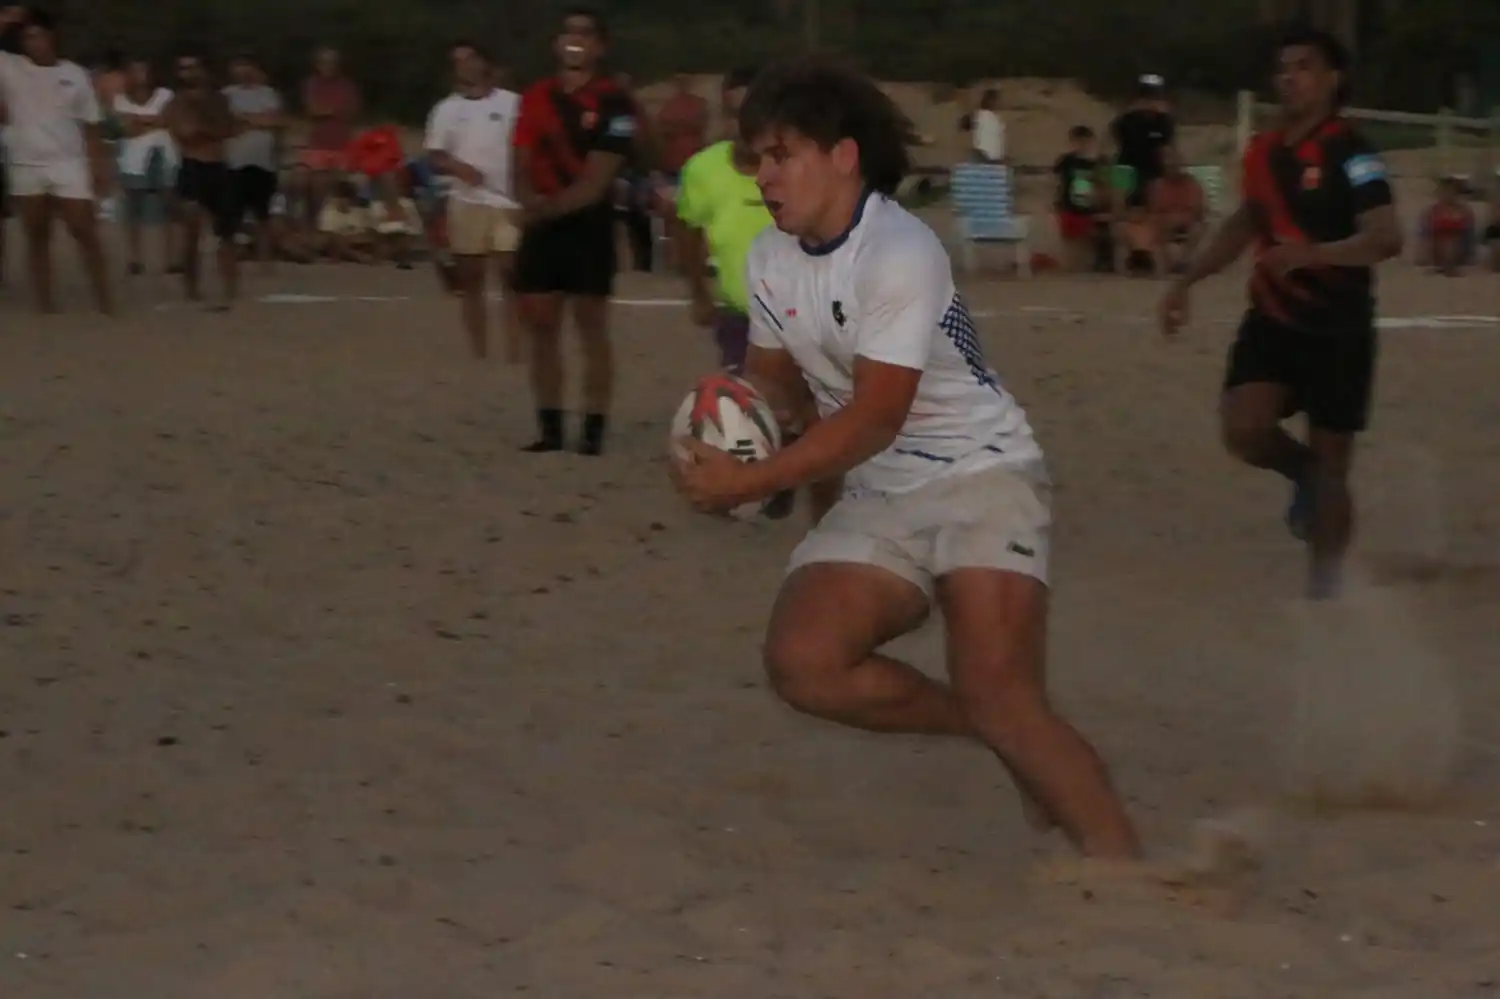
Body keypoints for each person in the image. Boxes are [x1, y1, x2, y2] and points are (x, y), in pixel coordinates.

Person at [670, 56, 1141, 861]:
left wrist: (753, 479)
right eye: (757, 158)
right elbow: (778, 380)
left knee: (1006, 693)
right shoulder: (771, 259)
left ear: (842, 155)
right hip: (886, 488)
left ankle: (1133, 878)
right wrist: (729, 419)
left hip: (982, 476)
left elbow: (873, 418)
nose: (764, 176)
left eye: (781, 155)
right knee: (805, 665)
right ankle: (993, 731)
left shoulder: (900, 249)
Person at [1159, 27, 1402, 601]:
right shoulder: (1264, 153)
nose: (1289, 78)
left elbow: (1386, 237)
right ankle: (1306, 475)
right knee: (1244, 430)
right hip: (1271, 317)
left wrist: (1315, 254)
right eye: (1283, 69)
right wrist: (1187, 280)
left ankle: (1325, 589)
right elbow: (1245, 223)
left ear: (1333, 78)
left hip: (1338, 326)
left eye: (1304, 67)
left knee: (1335, 462)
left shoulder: (1355, 153)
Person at [512, 7, 637, 455]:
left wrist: (542, 211)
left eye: (585, 34)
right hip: (542, 221)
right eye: (568, 32)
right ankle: (549, 426)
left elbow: (598, 179)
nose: (574, 40)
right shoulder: (535, 96)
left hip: (588, 224)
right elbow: (521, 156)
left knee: (591, 325)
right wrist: (525, 198)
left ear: (599, 47)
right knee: (541, 325)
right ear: (556, 43)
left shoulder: (615, 102)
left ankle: (593, 427)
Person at [0, 6, 112, 313]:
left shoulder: (74, 73)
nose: (33, 43)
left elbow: (91, 125)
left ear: (51, 37)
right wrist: (6, 20)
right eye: (26, 38)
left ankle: (105, 299)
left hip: (68, 162)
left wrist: (99, 167)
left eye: (38, 36)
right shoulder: (10, 67)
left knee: (83, 229)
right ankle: (45, 303)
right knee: (37, 235)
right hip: (25, 162)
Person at [424, 41, 522, 360]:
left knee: (511, 274)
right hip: (467, 199)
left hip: (508, 200)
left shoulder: (513, 103)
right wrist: (458, 167)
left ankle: (514, 350)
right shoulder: (446, 109)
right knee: (472, 278)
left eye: (469, 59)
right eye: (457, 61)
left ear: (484, 62)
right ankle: (479, 351)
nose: (464, 66)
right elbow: (435, 154)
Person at [163, 48, 239, 310]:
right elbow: (185, 133)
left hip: (218, 167)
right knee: (192, 230)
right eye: (183, 68)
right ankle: (192, 288)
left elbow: (229, 129)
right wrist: (210, 129)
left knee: (226, 231)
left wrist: (205, 127)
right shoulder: (176, 102)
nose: (187, 73)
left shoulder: (219, 99)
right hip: (193, 167)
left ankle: (230, 287)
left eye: (192, 67)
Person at [114, 56, 177, 276]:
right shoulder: (120, 99)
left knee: (169, 208)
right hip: (133, 159)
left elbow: (169, 120)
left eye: (143, 70)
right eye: (135, 70)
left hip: (164, 156)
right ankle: (135, 258)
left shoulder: (165, 95)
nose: (140, 75)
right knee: (134, 210)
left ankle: (171, 258)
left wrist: (139, 121)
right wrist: (154, 121)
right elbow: (127, 129)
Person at [224, 53, 283, 271]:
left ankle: (265, 261)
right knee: (231, 215)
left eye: (247, 65)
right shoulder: (226, 95)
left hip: (263, 161)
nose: (243, 70)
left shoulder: (268, 94)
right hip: (234, 161)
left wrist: (245, 119)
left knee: (263, 214)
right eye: (239, 65)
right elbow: (228, 122)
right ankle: (230, 260)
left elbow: (274, 121)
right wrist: (258, 119)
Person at [300, 46, 359, 219]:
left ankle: (335, 225)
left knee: (339, 187)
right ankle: (317, 224)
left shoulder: (347, 85)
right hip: (319, 143)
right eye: (325, 62)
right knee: (317, 187)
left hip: (342, 143)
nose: (329, 66)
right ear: (318, 65)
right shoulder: (311, 84)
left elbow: (352, 112)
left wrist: (326, 111)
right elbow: (312, 110)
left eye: (333, 62)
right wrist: (336, 111)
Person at [1110, 75, 1174, 211]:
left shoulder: (1164, 121)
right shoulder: (1126, 120)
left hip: (1154, 172)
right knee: (1120, 207)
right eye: (1147, 97)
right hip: (1127, 169)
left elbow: (1167, 149)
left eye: (1154, 97)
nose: (1150, 102)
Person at [1142, 144, 1205, 274]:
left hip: (1187, 221)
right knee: (1156, 224)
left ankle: (1183, 261)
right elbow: (1153, 209)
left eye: (1175, 163)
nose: (1172, 167)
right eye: (1168, 163)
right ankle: (1170, 262)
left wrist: (1179, 218)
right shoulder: (1157, 186)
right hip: (1165, 222)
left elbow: (1197, 209)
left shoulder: (1192, 184)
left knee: (1198, 228)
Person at [1052, 124, 1105, 272]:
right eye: (1078, 141)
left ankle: (1084, 267)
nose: (1082, 145)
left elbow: (1103, 184)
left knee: (1087, 240)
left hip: (1090, 206)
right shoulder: (1066, 161)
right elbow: (1056, 182)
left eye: (1085, 141)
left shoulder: (1098, 162)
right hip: (1068, 205)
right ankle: (1070, 267)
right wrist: (1055, 201)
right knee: (1069, 239)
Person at [970, 87, 1005, 164]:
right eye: (995, 100)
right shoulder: (981, 115)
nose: (997, 102)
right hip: (984, 155)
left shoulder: (994, 116)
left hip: (993, 157)